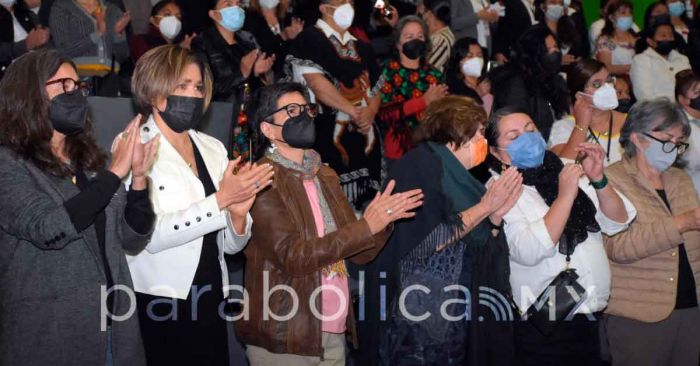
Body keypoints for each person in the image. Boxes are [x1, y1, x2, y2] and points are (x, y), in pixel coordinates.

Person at [236, 82, 423, 365]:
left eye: (307, 109)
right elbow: (294, 257)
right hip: (286, 333)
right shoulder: (261, 180)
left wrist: (382, 221)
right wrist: (365, 227)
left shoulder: (324, 174)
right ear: (267, 128)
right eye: (291, 110)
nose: (303, 116)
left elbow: (361, 253)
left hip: (332, 328)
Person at [0, 49, 157, 365]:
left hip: (116, 329)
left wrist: (139, 179)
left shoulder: (89, 162)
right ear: (30, 91)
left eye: (78, 85)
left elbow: (131, 239)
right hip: (52, 334)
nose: (74, 93)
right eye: (63, 84)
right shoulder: (8, 163)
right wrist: (115, 174)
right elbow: (47, 229)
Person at [126, 45, 271, 365]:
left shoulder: (212, 146)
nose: (192, 94)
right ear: (155, 90)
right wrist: (221, 199)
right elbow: (150, 237)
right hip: (161, 297)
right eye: (182, 86)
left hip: (210, 290)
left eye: (198, 87)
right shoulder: (134, 145)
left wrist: (237, 215)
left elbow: (231, 247)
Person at [369, 96, 521, 365]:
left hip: (456, 308)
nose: (483, 142)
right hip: (421, 316)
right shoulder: (420, 166)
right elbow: (429, 239)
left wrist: (494, 216)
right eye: (478, 134)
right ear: (455, 135)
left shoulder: (462, 177)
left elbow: (476, 238)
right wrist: (486, 207)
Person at [484, 106, 636, 366]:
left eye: (530, 129)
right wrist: (566, 196)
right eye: (513, 135)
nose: (527, 137)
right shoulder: (499, 189)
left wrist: (598, 179)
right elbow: (530, 250)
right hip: (546, 325)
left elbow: (618, 221)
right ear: (497, 152)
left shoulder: (565, 167)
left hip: (593, 314)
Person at [603, 99, 700, 366]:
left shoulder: (679, 179)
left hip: (691, 307)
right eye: (667, 138)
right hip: (639, 314)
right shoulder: (612, 180)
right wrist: (681, 223)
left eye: (679, 140)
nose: (674, 147)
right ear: (638, 138)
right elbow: (618, 247)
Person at [286, 0, 384, 211]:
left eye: (350, 1)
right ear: (323, 7)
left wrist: (370, 113)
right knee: (331, 207)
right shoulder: (309, 39)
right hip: (322, 133)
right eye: (341, 1)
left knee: (367, 208)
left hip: (363, 138)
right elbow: (316, 83)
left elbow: (376, 87)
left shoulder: (362, 45)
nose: (348, 5)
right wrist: (354, 111)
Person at [376, 16, 447, 162]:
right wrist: (423, 101)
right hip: (398, 153)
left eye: (420, 36)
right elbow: (383, 115)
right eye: (409, 36)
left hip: (430, 150)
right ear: (398, 43)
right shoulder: (387, 71)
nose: (416, 40)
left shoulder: (434, 74)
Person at [491, 25, 569, 141]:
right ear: (534, 53)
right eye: (548, 49)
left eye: (555, 47)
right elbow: (517, 132)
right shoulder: (515, 84)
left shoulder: (552, 80)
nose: (555, 52)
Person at [191, 0, 274, 103]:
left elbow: (254, 90)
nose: (236, 9)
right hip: (220, 113)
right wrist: (241, 74)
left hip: (248, 111)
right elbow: (204, 88)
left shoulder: (247, 42)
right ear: (214, 14)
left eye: (238, 4)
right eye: (229, 4)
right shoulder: (201, 43)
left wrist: (255, 72)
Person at [550, 59, 626, 166]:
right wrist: (581, 126)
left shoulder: (630, 121)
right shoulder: (564, 127)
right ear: (580, 95)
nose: (607, 87)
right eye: (596, 84)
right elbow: (564, 168)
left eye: (609, 81)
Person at [50, 0, 131, 64]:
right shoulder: (61, 8)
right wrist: (97, 35)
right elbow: (63, 52)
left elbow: (122, 56)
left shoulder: (112, 9)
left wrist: (118, 34)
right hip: (77, 80)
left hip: (108, 80)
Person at [631, 20, 691, 101]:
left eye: (671, 35)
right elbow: (644, 96)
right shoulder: (641, 60)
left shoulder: (682, 59)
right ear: (650, 41)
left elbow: (691, 88)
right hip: (658, 111)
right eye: (663, 36)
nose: (668, 39)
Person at [243, 0, 303, 78]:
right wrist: (283, 36)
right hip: (267, 77)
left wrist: (299, 36)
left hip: (289, 73)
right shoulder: (250, 19)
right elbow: (259, 51)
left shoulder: (288, 18)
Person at [128, 0, 197, 63]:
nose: (173, 20)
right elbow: (152, 69)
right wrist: (179, 53)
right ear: (153, 20)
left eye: (178, 17)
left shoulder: (178, 43)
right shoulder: (141, 41)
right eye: (167, 15)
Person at [0, 0, 49, 79]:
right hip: (10, 79)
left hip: (37, 71)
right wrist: (26, 44)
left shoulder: (21, 8)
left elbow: (40, 32)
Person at [534, 0, 586, 67]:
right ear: (542, 6)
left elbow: (582, 52)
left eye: (561, 3)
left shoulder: (572, 29)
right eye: (553, 2)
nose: (557, 6)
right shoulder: (534, 33)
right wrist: (557, 61)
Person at [594, 0, 637, 76]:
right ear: (611, 17)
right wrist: (633, 67)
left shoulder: (636, 37)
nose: (628, 16)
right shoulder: (605, 40)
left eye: (630, 12)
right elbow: (607, 68)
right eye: (623, 13)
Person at [675, 70, 700, 195]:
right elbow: (685, 160)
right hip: (691, 187)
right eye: (697, 93)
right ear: (682, 99)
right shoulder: (676, 126)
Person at [444, 36, 486, 105]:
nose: (476, 60)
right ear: (459, 60)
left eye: (479, 56)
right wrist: (477, 94)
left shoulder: (486, 83)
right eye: (470, 56)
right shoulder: (452, 88)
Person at [419, 0, 454, 72]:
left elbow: (426, 69)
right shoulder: (434, 35)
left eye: (423, 10)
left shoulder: (442, 40)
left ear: (429, 13)